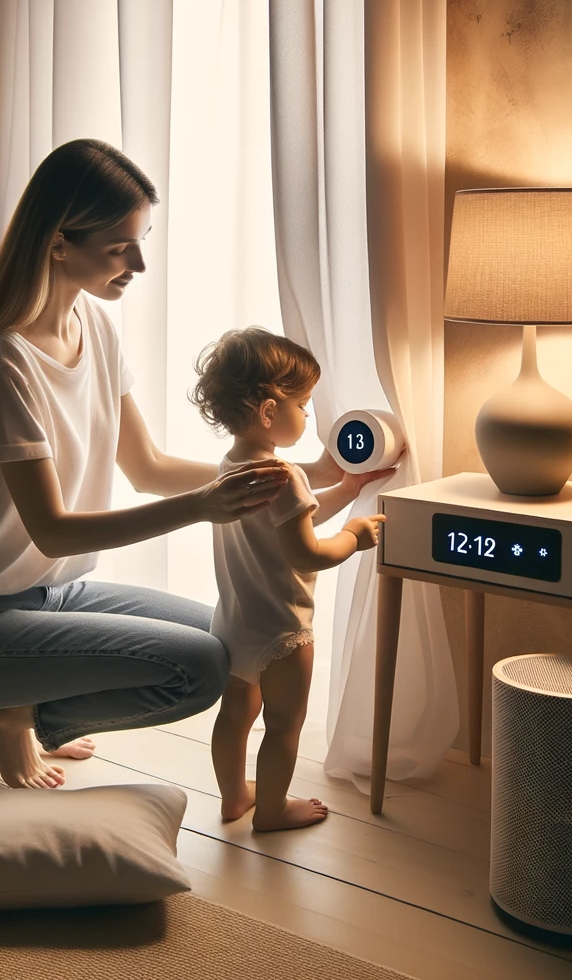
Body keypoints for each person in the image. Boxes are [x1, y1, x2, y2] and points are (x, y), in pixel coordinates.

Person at [0, 139, 344, 790]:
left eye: (139, 242)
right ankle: (12, 714)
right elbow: (53, 529)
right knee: (195, 670)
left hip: (56, 594)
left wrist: (300, 471)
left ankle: (17, 711)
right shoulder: (5, 366)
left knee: (223, 642)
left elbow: (148, 467)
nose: (138, 263)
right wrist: (201, 508)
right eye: (119, 247)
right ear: (59, 243)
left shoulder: (96, 326)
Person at [190, 328, 390, 831]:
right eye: (303, 404)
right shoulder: (286, 477)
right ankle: (273, 811)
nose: (308, 415)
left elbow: (292, 523)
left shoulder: (231, 467)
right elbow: (309, 550)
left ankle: (234, 797)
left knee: (235, 717)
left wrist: (347, 486)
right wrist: (355, 535)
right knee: (282, 725)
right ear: (268, 412)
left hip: (235, 622)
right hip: (283, 628)